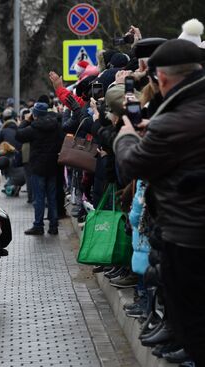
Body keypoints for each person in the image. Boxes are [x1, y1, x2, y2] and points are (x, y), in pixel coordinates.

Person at [113, 39, 205, 365]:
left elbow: (132, 165)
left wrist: (125, 136)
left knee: (192, 322)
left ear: (162, 79)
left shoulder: (172, 122)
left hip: (187, 236)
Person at [16, 102, 62, 235]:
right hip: (53, 165)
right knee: (52, 197)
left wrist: (25, 121)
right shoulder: (55, 126)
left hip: (37, 166)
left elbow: (19, 135)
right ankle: (53, 226)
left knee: (39, 197)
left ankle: (38, 225)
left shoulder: (34, 128)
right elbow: (62, 140)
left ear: (35, 114)